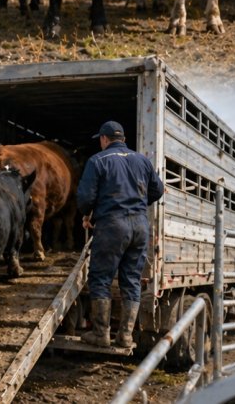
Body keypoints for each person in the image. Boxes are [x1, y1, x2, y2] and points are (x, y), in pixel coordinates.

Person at [77, 120, 165, 348]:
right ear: (123, 140)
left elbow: (85, 197)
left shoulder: (98, 160)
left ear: (104, 139)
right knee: (132, 281)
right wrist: (138, 204)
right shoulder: (142, 160)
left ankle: (100, 334)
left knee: (101, 278)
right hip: (139, 226)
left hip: (112, 225)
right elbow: (158, 190)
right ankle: (125, 336)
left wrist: (88, 215)